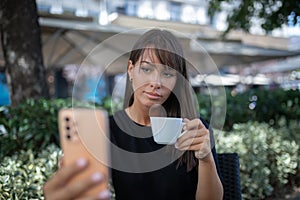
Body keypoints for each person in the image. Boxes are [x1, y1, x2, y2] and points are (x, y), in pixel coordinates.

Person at [43, 29, 223, 200]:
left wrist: (206, 160)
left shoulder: (194, 130)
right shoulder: (109, 130)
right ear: (131, 70)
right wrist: (77, 178)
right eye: (146, 69)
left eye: (168, 73)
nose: (156, 82)